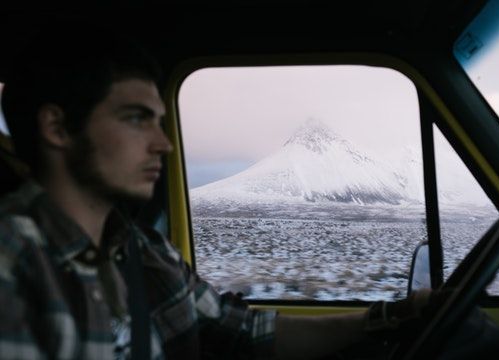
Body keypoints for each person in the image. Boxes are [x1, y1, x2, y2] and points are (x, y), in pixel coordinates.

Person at [0, 23, 435, 359]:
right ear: (57, 128)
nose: (163, 144)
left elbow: (243, 334)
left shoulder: (142, 250)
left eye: (160, 121)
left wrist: (389, 316)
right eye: (136, 118)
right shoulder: (14, 265)